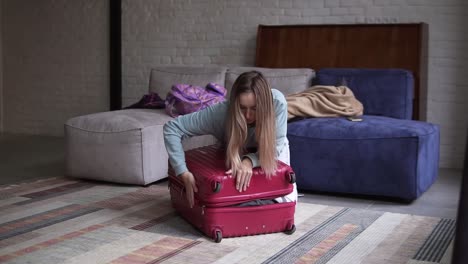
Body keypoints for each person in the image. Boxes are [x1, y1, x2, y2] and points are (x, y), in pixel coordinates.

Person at [163, 71, 298, 208]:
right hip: (235, 151)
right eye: (242, 108)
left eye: (255, 108)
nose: (248, 115)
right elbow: (172, 128)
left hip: (270, 150)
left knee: (286, 199)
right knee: (230, 195)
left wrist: (249, 161)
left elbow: (277, 146)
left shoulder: (277, 103)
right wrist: (182, 172)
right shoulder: (220, 113)